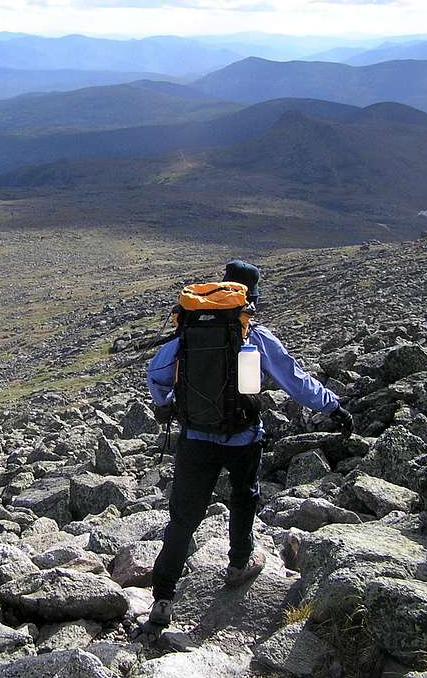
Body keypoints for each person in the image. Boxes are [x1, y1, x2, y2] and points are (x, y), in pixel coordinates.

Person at [145, 259, 352, 628]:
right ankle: (239, 564)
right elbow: (294, 379)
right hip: (243, 436)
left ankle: (163, 598)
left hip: (194, 438)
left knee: (183, 518)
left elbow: (157, 372)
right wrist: (332, 406)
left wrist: (165, 405)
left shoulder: (189, 330)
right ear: (251, 298)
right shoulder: (253, 334)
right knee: (243, 499)